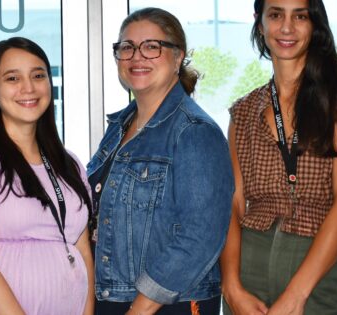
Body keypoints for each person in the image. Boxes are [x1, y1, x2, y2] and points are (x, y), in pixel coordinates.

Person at [87, 7, 234, 315]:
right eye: (126, 47)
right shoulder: (119, 128)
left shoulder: (194, 132)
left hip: (167, 305)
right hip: (114, 298)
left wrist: (140, 309)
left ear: (178, 57)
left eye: (151, 47)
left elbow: (201, 236)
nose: (136, 57)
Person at [0, 37, 95, 315]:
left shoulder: (68, 163)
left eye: (38, 76)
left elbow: (82, 249)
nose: (28, 88)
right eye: (13, 78)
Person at [220, 0, 337, 314]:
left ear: (315, 25)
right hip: (247, 278)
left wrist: (295, 297)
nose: (286, 27)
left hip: (317, 281)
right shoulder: (242, 112)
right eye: (276, 14)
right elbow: (233, 205)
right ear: (260, 23)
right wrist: (231, 285)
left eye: (300, 16)